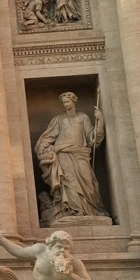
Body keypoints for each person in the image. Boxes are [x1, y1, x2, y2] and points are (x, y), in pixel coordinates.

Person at [35, 92, 107, 222]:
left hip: (80, 154)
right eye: (63, 102)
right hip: (63, 154)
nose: (65, 104)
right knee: (68, 182)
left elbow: (92, 138)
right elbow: (48, 137)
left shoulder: (83, 118)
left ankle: (89, 209)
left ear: (74, 101)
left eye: (67, 101)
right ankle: (73, 210)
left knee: (88, 182)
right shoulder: (59, 119)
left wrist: (100, 120)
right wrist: (43, 148)